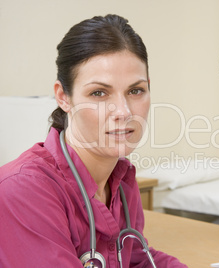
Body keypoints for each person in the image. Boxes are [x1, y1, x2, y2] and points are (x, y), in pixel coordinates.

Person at [0, 14, 187, 267]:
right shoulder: (22, 190)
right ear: (64, 97)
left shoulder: (122, 183)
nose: (123, 111)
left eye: (135, 90)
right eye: (99, 93)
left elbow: (133, 258)